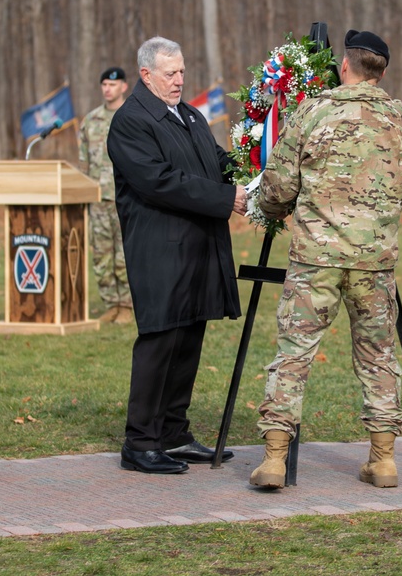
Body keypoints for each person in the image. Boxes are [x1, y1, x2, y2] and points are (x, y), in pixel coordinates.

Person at [250, 29, 402, 489]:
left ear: (345, 65)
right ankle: (383, 460)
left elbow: (278, 187)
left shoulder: (314, 109)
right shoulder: (399, 118)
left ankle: (275, 461)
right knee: (379, 356)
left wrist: (271, 210)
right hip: (374, 262)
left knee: (294, 355)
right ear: (381, 71)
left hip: (315, 259)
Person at [106, 36, 245, 475]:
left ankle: (173, 433)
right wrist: (227, 199)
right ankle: (141, 441)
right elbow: (160, 181)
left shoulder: (188, 115)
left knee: (189, 338)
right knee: (161, 340)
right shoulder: (131, 121)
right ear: (146, 75)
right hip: (160, 250)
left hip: (198, 247)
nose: (179, 80)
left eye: (182, 71)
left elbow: (213, 161)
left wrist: (251, 160)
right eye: (170, 73)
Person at [78, 67, 133, 324]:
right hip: (98, 198)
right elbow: (84, 163)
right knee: (102, 254)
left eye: (113, 84)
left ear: (124, 86)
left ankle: (129, 305)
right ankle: (111, 303)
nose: (107, 89)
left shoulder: (131, 118)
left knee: (125, 252)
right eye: (104, 84)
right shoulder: (91, 121)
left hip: (125, 196)